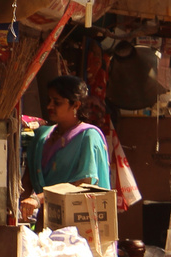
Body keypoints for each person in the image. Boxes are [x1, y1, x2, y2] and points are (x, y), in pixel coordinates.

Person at [21, 75, 110, 220]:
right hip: (45, 222)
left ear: (76, 105)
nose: (49, 106)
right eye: (49, 100)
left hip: (77, 224)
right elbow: (28, 180)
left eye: (57, 102)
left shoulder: (87, 136)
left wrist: (38, 199)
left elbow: (81, 185)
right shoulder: (41, 135)